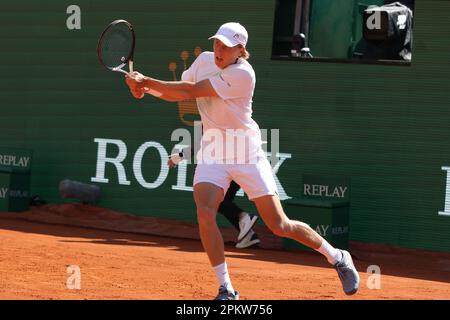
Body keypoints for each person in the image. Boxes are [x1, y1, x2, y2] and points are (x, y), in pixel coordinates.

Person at [125, 22, 360, 300]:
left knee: (279, 225)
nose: (218, 50)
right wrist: (145, 89)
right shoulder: (203, 61)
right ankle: (226, 288)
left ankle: (337, 256)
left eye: (226, 46)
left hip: (245, 153)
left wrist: (146, 81)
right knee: (204, 210)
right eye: (216, 43)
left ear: (241, 50)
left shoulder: (243, 74)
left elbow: (190, 91)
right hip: (213, 151)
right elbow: (178, 91)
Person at [168, 150, 260, 248]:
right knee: (223, 201)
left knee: (216, 201)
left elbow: (198, 143)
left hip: (226, 166)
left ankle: (243, 217)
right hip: (241, 165)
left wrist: (179, 156)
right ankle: (249, 235)